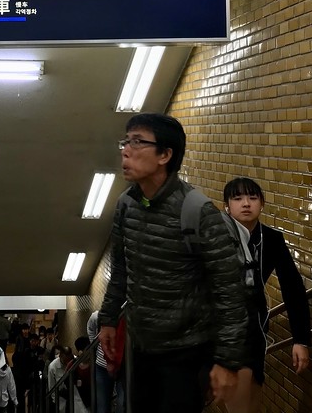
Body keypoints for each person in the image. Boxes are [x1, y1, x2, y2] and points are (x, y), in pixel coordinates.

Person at [98, 113, 250, 413]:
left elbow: (229, 292)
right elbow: (121, 270)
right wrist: (107, 319)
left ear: (165, 155)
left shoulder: (198, 211)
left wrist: (227, 361)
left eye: (138, 142)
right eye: (126, 141)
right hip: (141, 347)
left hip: (186, 352)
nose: (126, 150)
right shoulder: (126, 205)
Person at [222, 177, 311, 413]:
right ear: (226, 206)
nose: (246, 204)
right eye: (238, 198)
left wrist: (300, 339)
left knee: (252, 399)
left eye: (252, 197)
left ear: (262, 203)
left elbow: (293, 288)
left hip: (256, 329)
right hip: (223, 332)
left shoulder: (271, 239)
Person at [87, 311, 124, 413]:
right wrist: (94, 345)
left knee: (122, 404)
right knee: (102, 405)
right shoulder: (97, 316)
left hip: (122, 365)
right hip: (102, 365)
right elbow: (90, 329)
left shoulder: (127, 316)